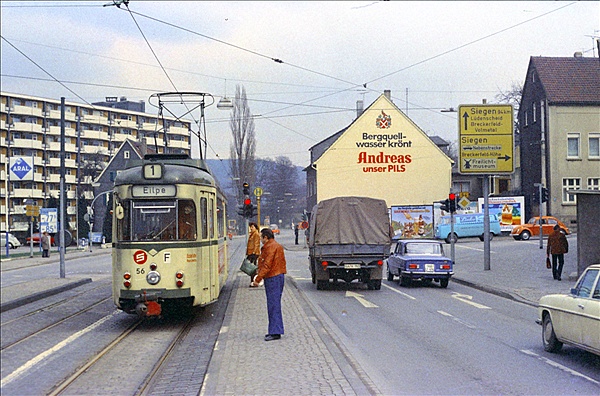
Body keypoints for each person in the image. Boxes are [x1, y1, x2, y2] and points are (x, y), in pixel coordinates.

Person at [252, 228, 287, 341]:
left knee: (273, 305)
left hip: (273, 277)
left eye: (261, 237)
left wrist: (257, 279)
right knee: (274, 304)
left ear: (266, 237)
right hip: (277, 276)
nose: (261, 239)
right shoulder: (276, 245)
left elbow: (267, 265)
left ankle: (275, 332)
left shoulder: (270, 247)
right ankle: (275, 330)